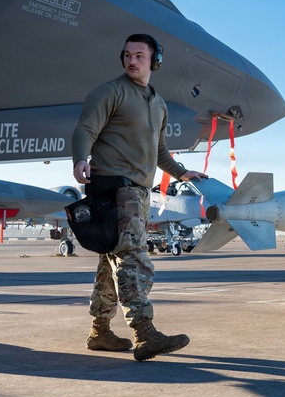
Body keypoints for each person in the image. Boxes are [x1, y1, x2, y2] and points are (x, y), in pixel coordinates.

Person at [72, 34, 206, 361]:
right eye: (128, 55)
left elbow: (159, 151)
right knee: (132, 257)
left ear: (154, 61)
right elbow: (85, 128)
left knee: (111, 259)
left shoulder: (158, 104)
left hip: (138, 191)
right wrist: (80, 158)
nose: (132, 61)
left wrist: (181, 173)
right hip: (115, 188)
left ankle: (100, 332)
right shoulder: (110, 92)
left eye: (140, 56)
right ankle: (143, 331)